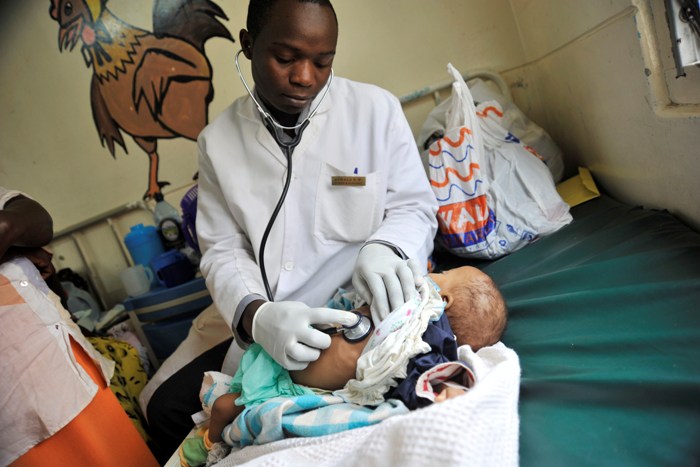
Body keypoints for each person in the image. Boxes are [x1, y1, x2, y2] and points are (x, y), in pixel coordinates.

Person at [144, 0, 438, 461]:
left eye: (323, 62)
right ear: (248, 46)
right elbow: (221, 249)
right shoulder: (218, 142)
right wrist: (256, 315)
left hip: (353, 313)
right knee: (162, 409)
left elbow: (414, 208)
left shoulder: (374, 111)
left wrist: (387, 247)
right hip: (269, 321)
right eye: (285, 59)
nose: (305, 77)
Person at [179, 266, 507, 466]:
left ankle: (210, 446)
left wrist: (447, 391)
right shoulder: (400, 305)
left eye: (444, 275)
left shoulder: (423, 335)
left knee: (224, 406)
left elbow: (427, 372)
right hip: (283, 351)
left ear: (443, 300)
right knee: (220, 400)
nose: (432, 272)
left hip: (296, 386)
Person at [0, 186, 158, 466]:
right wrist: (14, 247)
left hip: (72, 368)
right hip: (17, 408)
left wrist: (13, 239)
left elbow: (32, 221)